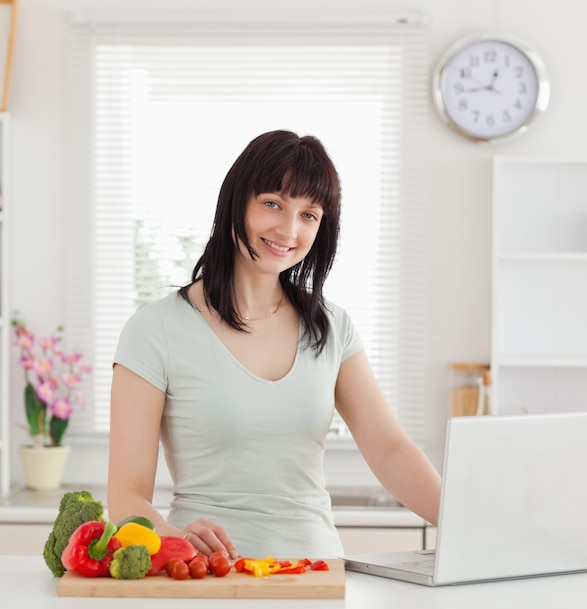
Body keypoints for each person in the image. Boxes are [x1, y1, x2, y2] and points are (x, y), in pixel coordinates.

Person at [107, 130, 441, 560]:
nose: (288, 228)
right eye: (272, 204)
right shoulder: (156, 328)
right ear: (236, 201)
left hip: (316, 579)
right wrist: (176, 540)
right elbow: (126, 497)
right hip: (211, 579)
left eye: (309, 214)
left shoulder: (332, 327)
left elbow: (390, 450)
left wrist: (467, 525)